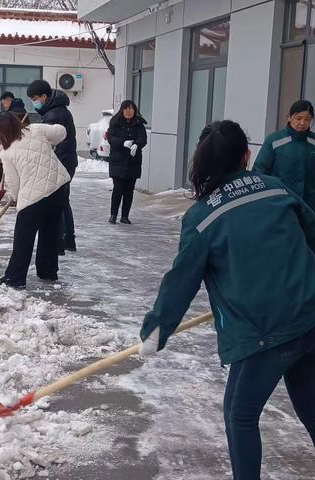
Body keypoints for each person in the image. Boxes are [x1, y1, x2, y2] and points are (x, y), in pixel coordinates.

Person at [139, 120, 315, 480]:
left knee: (240, 415)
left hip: (265, 331)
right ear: (247, 156)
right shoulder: (275, 189)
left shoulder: (202, 218)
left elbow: (181, 282)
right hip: (309, 317)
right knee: (311, 406)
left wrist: (158, 328)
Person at [0, 112, 70, 289]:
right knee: (50, 233)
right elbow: (61, 132)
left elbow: (14, 183)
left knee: (23, 239)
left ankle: (15, 278)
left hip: (33, 198)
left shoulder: (7, 151)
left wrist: (18, 200)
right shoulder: (35, 129)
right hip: (58, 188)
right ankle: (48, 272)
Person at [27, 79, 77, 254]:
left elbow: (50, 143)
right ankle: (68, 240)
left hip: (61, 161)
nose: (34, 102)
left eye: (35, 98)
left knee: (57, 203)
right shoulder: (54, 110)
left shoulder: (55, 115)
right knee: (63, 202)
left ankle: (60, 241)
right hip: (66, 160)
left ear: (44, 96)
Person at [253, 99, 315, 210]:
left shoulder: (313, 142)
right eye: (298, 118)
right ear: (290, 117)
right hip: (280, 205)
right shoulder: (274, 140)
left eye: (307, 119)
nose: (302, 123)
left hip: (309, 207)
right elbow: (259, 172)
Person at [106, 100, 147, 224]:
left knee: (129, 190)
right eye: (126, 108)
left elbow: (143, 138)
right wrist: (122, 143)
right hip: (117, 161)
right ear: (122, 110)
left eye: (131, 109)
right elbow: (110, 137)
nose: (128, 111)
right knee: (118, 188)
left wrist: (137, 145)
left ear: (134, 110)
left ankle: (125, 216)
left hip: (133, 162)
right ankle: (113, 214)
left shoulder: (139, 123)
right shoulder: (115, 122)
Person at [0, 92, 28, 200]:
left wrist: (3, 146)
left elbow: (8, 131)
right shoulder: (23, 111)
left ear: (9, 100)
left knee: (5, 168)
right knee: (10, 169)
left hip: (12, 144)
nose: (4, 106)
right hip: (21, 144)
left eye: (4, 103)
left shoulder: (12, 114)